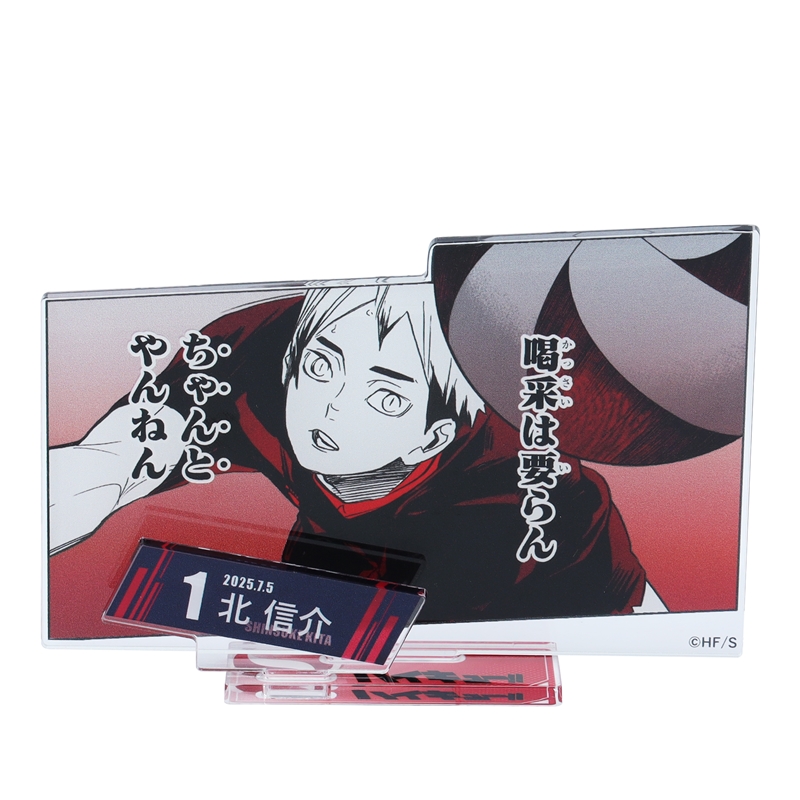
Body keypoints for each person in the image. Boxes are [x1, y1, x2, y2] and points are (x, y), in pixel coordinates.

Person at [49, 283, 652, 623]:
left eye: (385, 399)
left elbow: (637, 623)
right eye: (320, 368)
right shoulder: (256, 352)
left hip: (512, 595)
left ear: (431, 436)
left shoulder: (533, 489)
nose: (331, 408)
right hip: (331, 570)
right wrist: (92, 475)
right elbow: (132, 441)